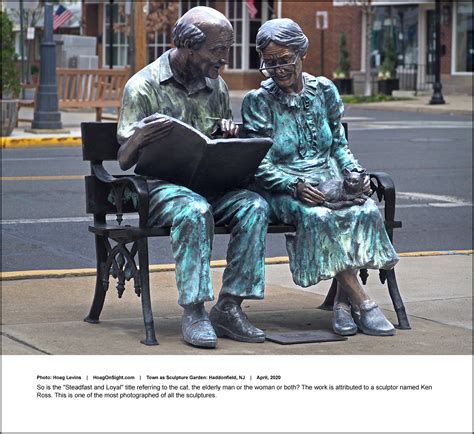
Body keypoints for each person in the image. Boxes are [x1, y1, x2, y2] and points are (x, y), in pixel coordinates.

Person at [117, 7, 269, 348]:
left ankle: (229, 306)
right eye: (217, 51)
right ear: (187, 47)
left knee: (254, 206)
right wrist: (140, 136)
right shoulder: (143, 86)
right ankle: (195, 310)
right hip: (160, 191)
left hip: (210, 184)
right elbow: (124, 160)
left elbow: (214, 145)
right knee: (195, 210)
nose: (224, 60)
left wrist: (229, 136)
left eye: (227, 50)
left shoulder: (217, 87)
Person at [242, 18, 399, 336]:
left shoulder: (324, 90)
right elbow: (259, 164)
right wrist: (295, 186)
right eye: (270, 63)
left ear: (301, 54)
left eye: (284, 59)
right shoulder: (258, 102)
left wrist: (355, 174)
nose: (278, 68)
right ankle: (364, 304)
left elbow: (339, 147)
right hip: (283, 190)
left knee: (364, 210)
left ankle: (342, 306)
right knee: (320, 217)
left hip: (328, 181)